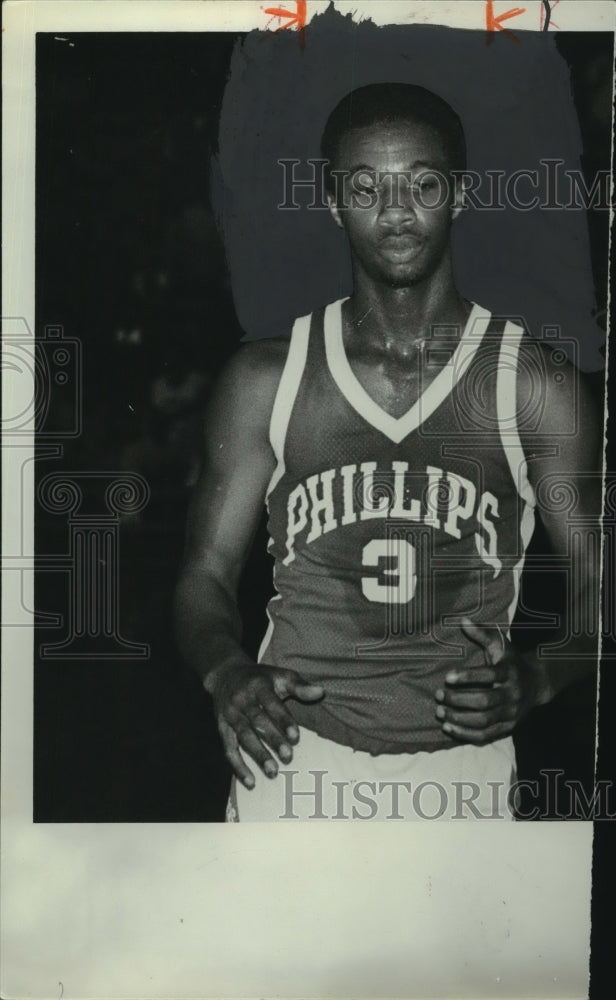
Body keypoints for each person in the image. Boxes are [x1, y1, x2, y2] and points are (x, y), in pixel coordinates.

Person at [174, 83, 601, 821]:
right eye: (367, 187)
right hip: (289, 759)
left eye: (422, 183)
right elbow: (202, 578)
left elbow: (603, 586)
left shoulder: (533, 386)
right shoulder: (265, 380)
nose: (397, 211)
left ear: (460, 195)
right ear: (335, 203)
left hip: (461, 775)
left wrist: (540, 677)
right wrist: (225, 671)